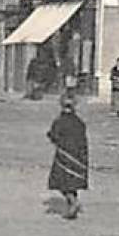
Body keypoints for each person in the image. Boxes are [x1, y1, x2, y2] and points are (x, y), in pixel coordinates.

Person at [47, 90, 90, 219]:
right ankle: (71, 205)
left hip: (64, 155)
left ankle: (73, 202)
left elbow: (53, 135)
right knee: (72, 182)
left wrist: (53, 138)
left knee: (62, 182)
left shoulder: (60, 121)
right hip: (79, 156)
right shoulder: (79, 122)